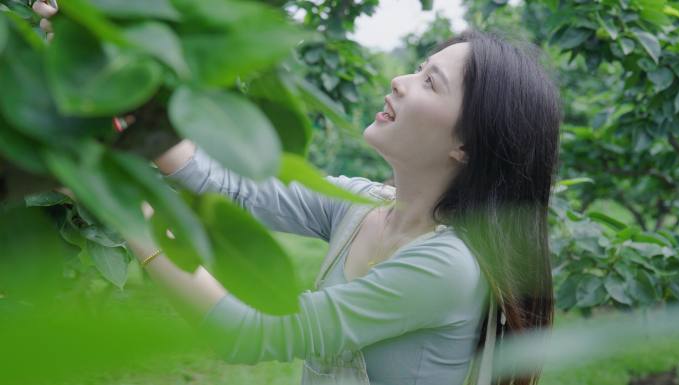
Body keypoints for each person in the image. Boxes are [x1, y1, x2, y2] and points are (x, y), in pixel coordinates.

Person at [34, 4, 560, 384]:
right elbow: (225, 184)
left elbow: (250, 334)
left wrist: (124, 207)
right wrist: (101, 63)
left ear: (467, 146)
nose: (400, 80)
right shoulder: (363, 205)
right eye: (418, 67)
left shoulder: (447, 266)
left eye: (431, 83)